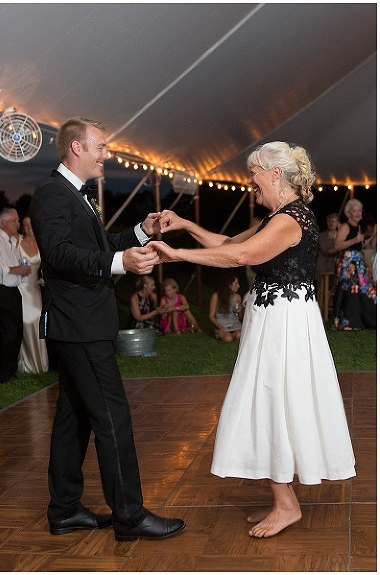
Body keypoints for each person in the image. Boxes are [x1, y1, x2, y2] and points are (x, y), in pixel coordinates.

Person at [152, 141, 355, 538]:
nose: (250, 182)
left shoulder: (292, 219)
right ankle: (283, 499)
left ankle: (286, 504)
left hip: (285, 324)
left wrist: (177, 254)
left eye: (253, 174)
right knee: (268, 400)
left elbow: (241, 258)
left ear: (275, 173)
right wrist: (186, 225)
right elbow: (230, 245)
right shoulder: (276, 217)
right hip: (272, 319)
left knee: (271, 400)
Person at [29, 117, 185, 542]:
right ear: (76, 148)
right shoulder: (51, 194)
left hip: (81, 323)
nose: (106, 154)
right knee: (112, 417)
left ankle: (64, 510)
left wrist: (141, 233)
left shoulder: (77, 196)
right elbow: (59, 255)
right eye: (100, 147)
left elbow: (97, 247)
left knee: (74, 416)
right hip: (79, 325)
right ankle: (129, 516)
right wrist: (121, 263)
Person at [0, 207, 31, 383]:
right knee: (8, 332)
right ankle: (2, 373)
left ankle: (10, 370)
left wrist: (20, 271)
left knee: (16, 332)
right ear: (3, 223)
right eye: (14, 220)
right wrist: (15, 269)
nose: (18, 224)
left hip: (14, 291)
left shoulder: (11, 241)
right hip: (3, 291)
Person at [332, 199, 376, 330]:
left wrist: (372, 236)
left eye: (359, 211)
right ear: (348, 213)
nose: (357, 213)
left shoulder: (359, 228)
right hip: (347, 266)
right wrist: (354, 240)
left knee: (363, 291)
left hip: (358, 265)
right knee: (348, 292)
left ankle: (363, 321)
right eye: (354, 211)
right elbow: (337, 246)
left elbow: (360, 245)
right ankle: (345, 322)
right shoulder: (345, 226)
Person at [17, 215, 49, 373]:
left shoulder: (43, 243)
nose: (29, 227)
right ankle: (25, 364)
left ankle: (40, 364)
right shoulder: (17, 242)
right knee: (24, 322)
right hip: (20, 288)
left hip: (35, 290)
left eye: (31, 224)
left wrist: (44, 279)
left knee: (37, 322)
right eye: (26, 224)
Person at [208, 272, 243, 342]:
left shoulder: (237, 297)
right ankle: (228, 335)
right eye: (236, 283)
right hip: (222, 325)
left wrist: (240, 311)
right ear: (229, 285)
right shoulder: (216, 296)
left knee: (239, 335)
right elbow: (211, 316)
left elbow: (239, 317)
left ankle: (233, 334)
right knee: (228, 339)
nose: (238, 286)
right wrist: (219, 327)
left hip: (235, 324)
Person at [315, 212, 340, 277]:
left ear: (337, 223)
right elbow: (325, 251)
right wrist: (340, 246)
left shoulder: (341, 236)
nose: (331, 223)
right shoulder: (321, 236)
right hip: (322, 266)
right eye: (329, 221)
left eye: (333, 221)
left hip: (336, 266)